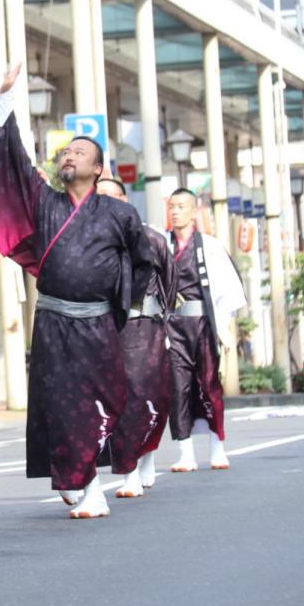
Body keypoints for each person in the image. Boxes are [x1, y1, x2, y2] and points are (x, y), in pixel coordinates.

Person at [0, 65, 154, 519]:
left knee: (103, 398)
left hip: (100, 321)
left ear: (98, 168)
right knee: (62, 404)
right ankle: (85, 483)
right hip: (52, 321)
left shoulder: (119, 215)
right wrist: (5, 102)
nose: (69, 156)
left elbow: (142, 263)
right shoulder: (44, 201)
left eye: (80, 152)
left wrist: (121, 306)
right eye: (65, 152)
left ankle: (81, 473)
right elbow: (13, 161)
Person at [96, 178, 174, 497]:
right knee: (114, 400)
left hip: (144, 327)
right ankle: (126, 468)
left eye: (110, 198)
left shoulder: (152, 238)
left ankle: (144, 459)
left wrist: (159, 322)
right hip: (105, 329)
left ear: (125, 200)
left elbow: (170, 282)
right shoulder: (93, 243)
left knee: (145, 395)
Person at [165, 189, 247, 472]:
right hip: (173, 326)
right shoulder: (162, 245)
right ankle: (185, 450)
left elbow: (227, 290)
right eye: (172, 206)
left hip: (202, 324)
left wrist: (223, 328)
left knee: (210, 384)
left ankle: (217, 445)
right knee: (178, 387)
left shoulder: (209, 246)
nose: (175, 211)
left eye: (181, 206)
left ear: (194, 212)